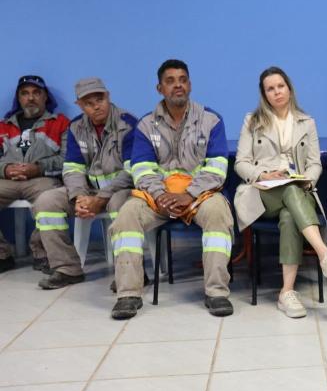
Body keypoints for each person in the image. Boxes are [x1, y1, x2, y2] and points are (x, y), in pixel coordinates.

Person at [109, 59, 235, 320]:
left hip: (200, 196)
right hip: (158, 197)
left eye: (182, 80)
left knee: (218, 213)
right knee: (127, 215)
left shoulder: (211, 120)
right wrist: (160, 195)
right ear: (159, 88)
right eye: (170, 81)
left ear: (190, 84)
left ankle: (216, 292)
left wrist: (189, 194)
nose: (178, 85)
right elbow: (142, 168)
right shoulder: (145, 125)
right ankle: (128, 294)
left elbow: (217, 168)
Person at [234, 67, 327, 318]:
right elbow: (240, 163)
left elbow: (315, 163)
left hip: (298, 189)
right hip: (261, 192)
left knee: (289, 213)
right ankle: (324, 253)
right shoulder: (252, 121)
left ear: (289, 88)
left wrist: (307, 180)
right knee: (288, 189)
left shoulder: (306, 122)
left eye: (280, 86)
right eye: (270, 89)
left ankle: (286, 293)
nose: (277, 92)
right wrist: (263, 175)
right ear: (264, 94)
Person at [34, 78, 137, 289]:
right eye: (88, 103)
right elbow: (72, 169)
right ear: (79, 105)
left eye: (100, 99)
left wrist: (101, 198)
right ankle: (67, 268)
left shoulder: (129, 124)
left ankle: (127, 272)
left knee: (120, 204)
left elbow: (131, 172)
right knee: (46, 201)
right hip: (88, 190)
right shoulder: (76, 127)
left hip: (121, 190)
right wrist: (79, 197)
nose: (96, 106)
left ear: (108, 96)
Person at [0, 75, 70, 272]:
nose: (30, 98)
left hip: (42, 179)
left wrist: (38, 168)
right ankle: (2, 254)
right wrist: (5, 169)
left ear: (45, 96)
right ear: (19, 98)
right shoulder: (3, 126)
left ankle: (43, 252)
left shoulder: (60, 123)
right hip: (7, 180)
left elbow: (68, 159)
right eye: (25, 93)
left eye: (36, 93)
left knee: (50, 199)